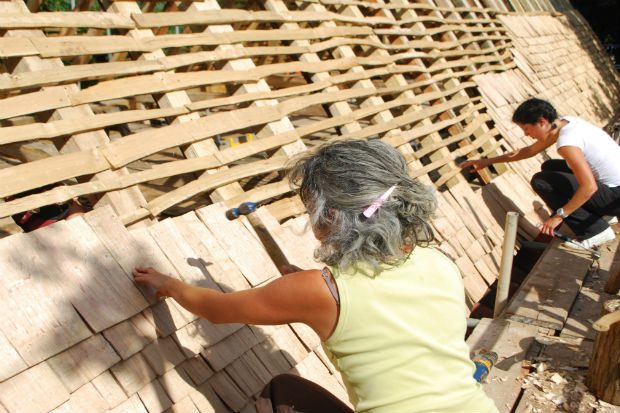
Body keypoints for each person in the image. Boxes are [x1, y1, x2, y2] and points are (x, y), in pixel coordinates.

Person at [134, 139, 498, 413]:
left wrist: (171, 285)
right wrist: (305, 287)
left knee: (281, 393)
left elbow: (217, 310)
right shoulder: (437, 261)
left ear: (332, 216)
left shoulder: (319, 291)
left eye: (311, 207)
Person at [460, 98, 620, 249]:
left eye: (527, 129)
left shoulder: (567, 143)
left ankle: (595, 231)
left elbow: (589, 187)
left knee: (541, 181)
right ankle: (601, 214)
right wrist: (487, 161)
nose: (526, 134)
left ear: (542, 122)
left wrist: (558, 217)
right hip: (613, 191)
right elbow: (529, 151)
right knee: (549, 167)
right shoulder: (567, 123)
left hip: (615, 198)